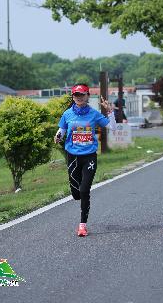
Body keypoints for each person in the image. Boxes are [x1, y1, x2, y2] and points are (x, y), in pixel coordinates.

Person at [54, 83, 116, 237]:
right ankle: (80, 198)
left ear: (88, 96)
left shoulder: (94, 114)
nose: (79, 97)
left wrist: (110, 112)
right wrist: (58, 136)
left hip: (89, 156)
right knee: (76, 193)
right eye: (76, 95)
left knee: (84, 190)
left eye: (82, 95)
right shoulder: (67, 114)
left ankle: (82, 225)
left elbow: (113, 128)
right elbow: (62, 130)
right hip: (73, 157)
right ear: (73, 97)